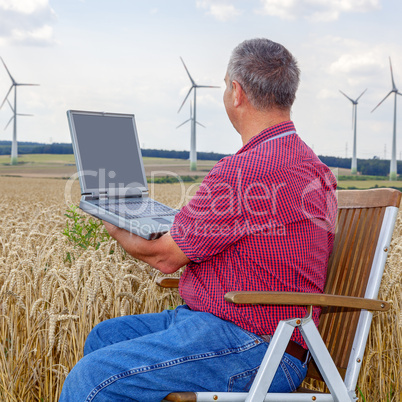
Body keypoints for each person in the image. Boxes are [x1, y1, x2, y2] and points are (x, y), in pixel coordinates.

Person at [59, 38, 337, 401]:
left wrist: (110, 216)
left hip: (257, 345)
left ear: (236, 92)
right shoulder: (313, 166)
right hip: (248, 332)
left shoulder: (245, 170)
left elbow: (164, 256)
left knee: (93, 378)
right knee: (104, 338)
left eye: (225, 85)